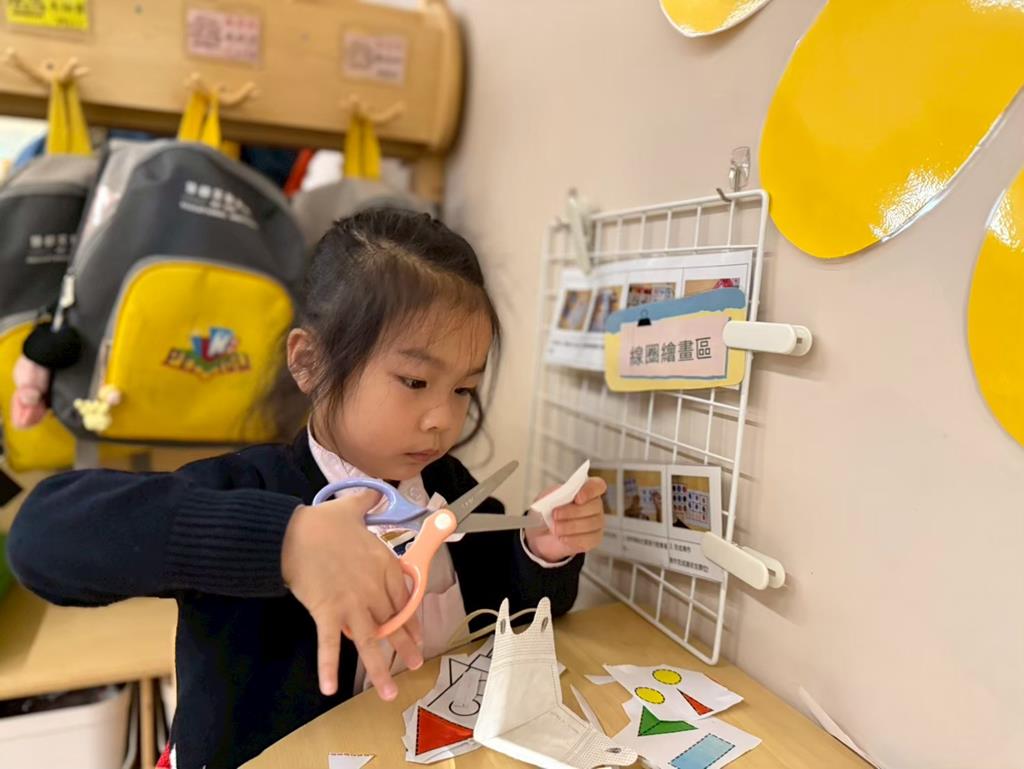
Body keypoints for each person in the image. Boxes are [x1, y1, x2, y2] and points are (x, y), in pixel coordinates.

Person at [7, 209, 608, 769]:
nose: (442, 420)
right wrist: (285, 542)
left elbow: (513, 616)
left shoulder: (447, 486)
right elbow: (40, 539)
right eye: (415, 381)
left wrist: (543, 552)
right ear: (310, 363)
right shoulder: (249, 487)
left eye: (462, 390)